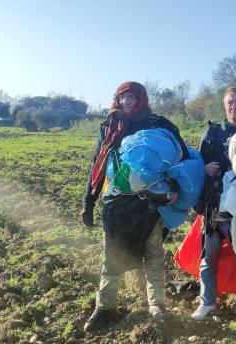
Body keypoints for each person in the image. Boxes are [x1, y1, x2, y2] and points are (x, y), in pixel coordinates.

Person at [81, 81, 190, 332]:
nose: (127, 102)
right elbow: (97, 164)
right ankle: (104, 307)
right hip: (116, 202)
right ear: (116, 100)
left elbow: (180, 157)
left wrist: (174, 189)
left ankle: (157, 307)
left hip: (149, 202)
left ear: (141, 99)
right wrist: (88, 202)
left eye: (132, 97)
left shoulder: (158, 124)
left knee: (153, 254)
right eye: (122, 97)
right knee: (113, 256)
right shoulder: (110, 127)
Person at [192, 87, 236, 323]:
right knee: (209, 258)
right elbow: (197, 163)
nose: (234, 106)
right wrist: (204, 169)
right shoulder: (212, 132)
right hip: (214, 208)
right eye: (230, 102)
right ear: (224, 105)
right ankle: (206, 303)